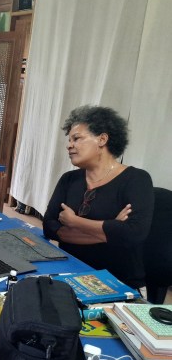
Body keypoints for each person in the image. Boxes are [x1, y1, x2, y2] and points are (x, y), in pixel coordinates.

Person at [43, 105, 154, 289]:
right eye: (69, 140)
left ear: (102, 139)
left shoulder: (136, 179)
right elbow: (49, 227)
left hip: (116, 281)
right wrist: (110, 229)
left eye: (76, 138)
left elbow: (133, 234)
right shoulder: (69, 179)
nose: (69, 145)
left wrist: (74, 221)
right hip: (69, 271)